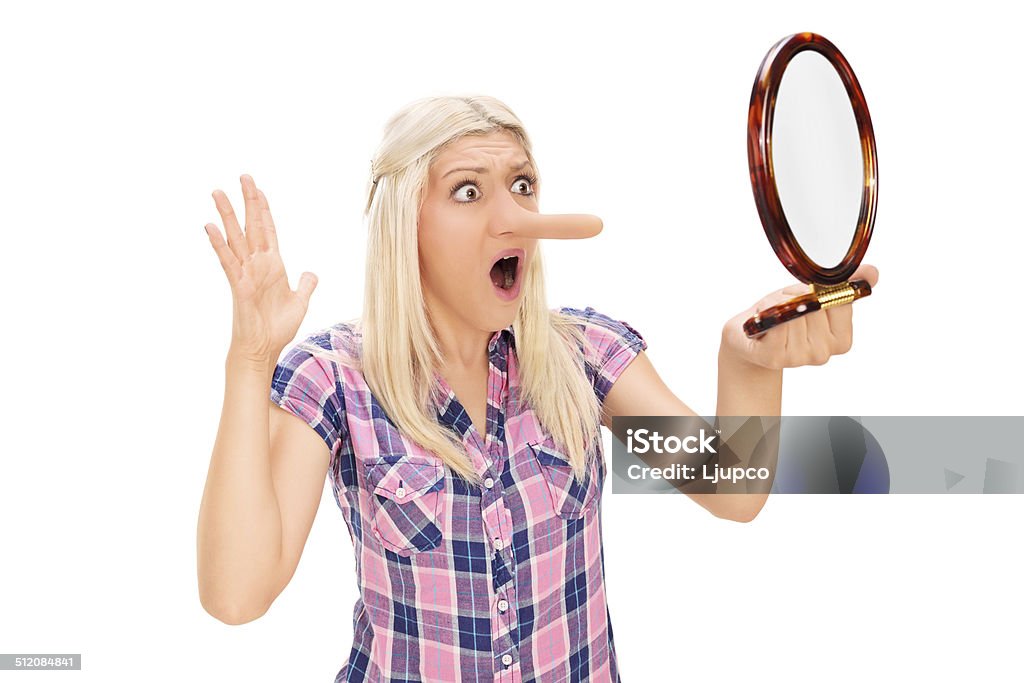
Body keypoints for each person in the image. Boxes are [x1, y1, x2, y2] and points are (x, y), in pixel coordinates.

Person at [197, 95, 878, 681]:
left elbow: (732, 489)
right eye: (469, 190)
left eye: (522, 185)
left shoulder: (585, 357)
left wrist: (750, 364)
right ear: (405, 222)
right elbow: (236, 594)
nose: (514, 215)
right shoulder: (335, 377)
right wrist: (250, 357)